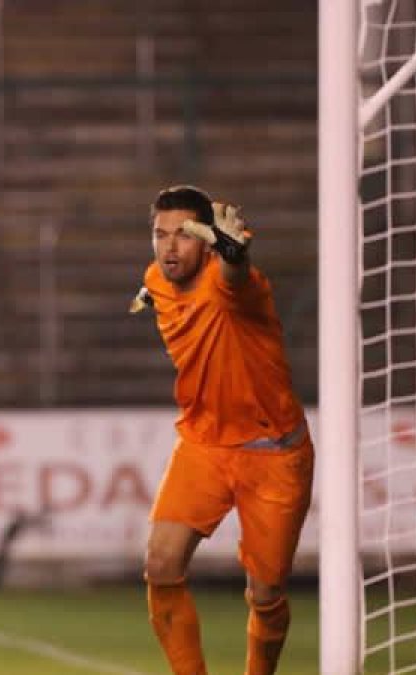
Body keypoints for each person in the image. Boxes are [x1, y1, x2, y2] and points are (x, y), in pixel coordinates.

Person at [131, 185, 314, 675]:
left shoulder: (238, 284)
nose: (170, 247)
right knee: (161, 563)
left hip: (273, 453)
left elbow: (235, 279)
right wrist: (150, 295)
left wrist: (235, 255)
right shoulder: (157, 279)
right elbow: (166, 289)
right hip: (204, 444)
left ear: (208, 243)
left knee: (267, 592)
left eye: (184, 236)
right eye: (160, 234)